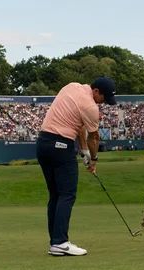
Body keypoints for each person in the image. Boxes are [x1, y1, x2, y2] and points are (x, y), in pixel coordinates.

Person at [36, 76, 117, 256]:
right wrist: (93, 160)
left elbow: (79, 126)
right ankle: (60, 242)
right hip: (61, 145)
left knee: (56, 195)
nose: (103, 103)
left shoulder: (72, 87)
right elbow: (94, 137)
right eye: (103, 98)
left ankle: (55, 242)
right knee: (67, 194)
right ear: (96, 91)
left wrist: (84, 150)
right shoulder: (90, 107)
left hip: (43, 144)